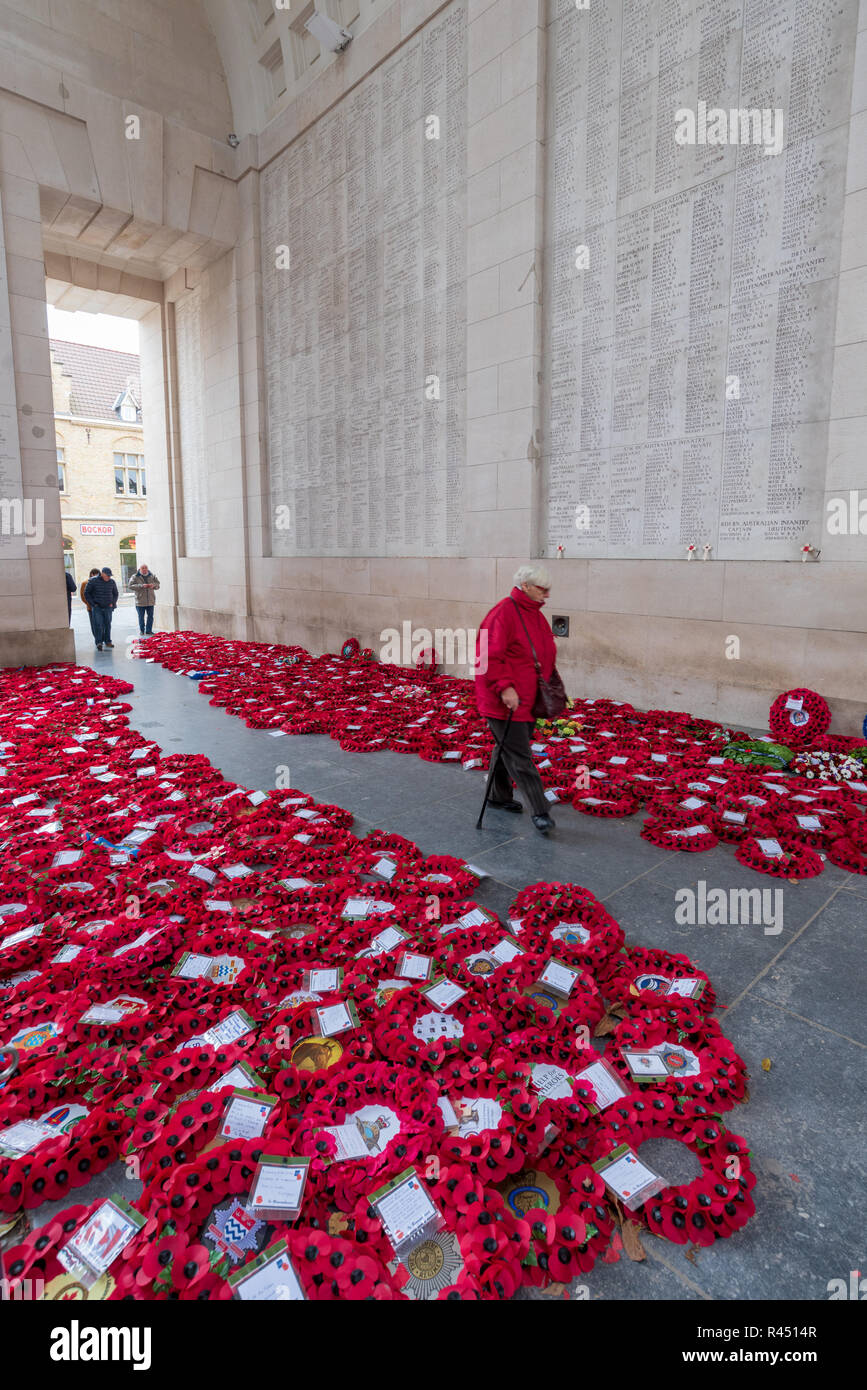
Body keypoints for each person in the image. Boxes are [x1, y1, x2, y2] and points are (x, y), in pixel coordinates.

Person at [475, 563, 559, 836]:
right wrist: (504, 688)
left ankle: (498, 796)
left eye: (548, 590)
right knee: (520, 756)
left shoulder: (534, 613)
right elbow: (486, 657)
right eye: (541, 589)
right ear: (525, 586)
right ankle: (540, 810)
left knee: (506, 748)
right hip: (504, 700)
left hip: (528, 697)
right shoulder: (503, 613)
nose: (546, 595)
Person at [83, 567, 118, 651]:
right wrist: (93, 604)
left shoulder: (112, 582)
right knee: (98, 625)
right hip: (97, 607)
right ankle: (99, 643)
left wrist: (112, 603)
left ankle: (108, 641)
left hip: (108, 607)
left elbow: (115, 594)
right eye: (107, 576)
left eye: (110, 576)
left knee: (108, 624)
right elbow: (86, 593)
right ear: (102, 574)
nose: (109, 577)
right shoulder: (93, 581)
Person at [128, 563, 160, 636]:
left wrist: (153, 586)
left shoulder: (152, 575)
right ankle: (142, 630)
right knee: (141, 617)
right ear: (140, 569)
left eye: (146, 568)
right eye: (143, 568)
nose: (144, 569)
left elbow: (158, 585)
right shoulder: (135, 576)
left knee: (150, 616)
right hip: (140, 601)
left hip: (150, 600)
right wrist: (141, 586)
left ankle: (149, 630)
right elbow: (130, 586)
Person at [79, 569, 100, 641]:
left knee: (101, 624)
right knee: (93, 624)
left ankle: (101, 638)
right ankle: (97, 639)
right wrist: (89, 603)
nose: (97, 576)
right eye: (95, 574)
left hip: (100, 607)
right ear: (91, 574)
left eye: (98, 574)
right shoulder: (85, 583)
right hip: (91, 608)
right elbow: (83, 596)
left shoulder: (100, 582)